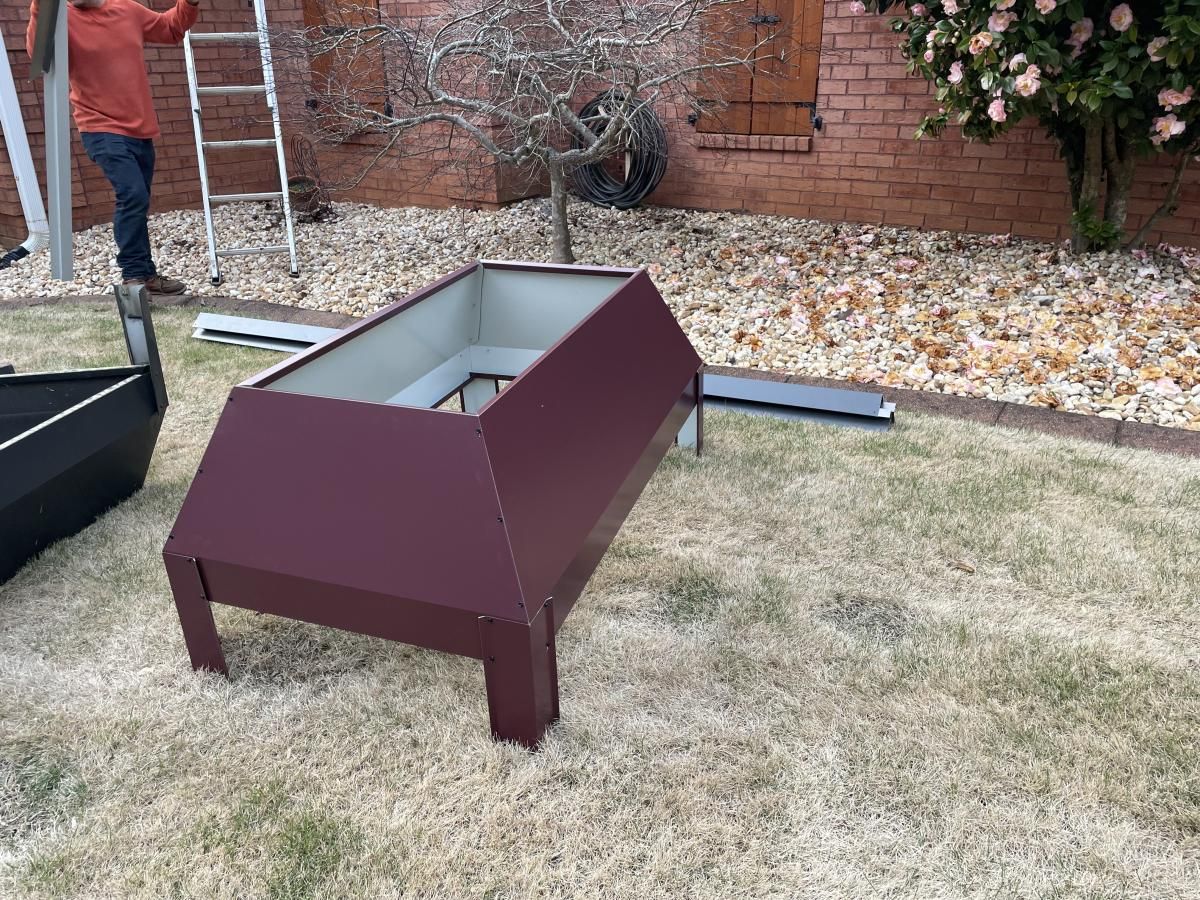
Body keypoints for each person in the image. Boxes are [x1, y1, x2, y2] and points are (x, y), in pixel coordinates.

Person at [27, 0, 200, 294]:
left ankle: (146, 274)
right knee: (131, 193)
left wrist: (189, 3)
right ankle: (134, 275)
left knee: (139, 200)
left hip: (141, 127)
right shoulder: (59, 17)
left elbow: (171, 28)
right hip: (99, 127)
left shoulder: (128, 10)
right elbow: (40, 57)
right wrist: (39, 9)